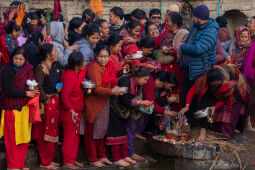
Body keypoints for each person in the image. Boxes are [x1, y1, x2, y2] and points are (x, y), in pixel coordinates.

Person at [179, 65, 249, 144]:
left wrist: (214, 107)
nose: (215, 86)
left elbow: (224, 99)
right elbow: (192, 91)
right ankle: (200, 127)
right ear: (209, 82)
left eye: (217, 85)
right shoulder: (203, 80)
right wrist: (187, 105)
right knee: (202, 104)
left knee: (227, 111)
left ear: (220, 81)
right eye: (213, 85)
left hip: (236, 86)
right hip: (215, 89)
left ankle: (204, 130)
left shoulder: (227, 83)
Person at [84, 44, 123, 167]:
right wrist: (112, 91)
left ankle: (102, 155)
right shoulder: (94, 68)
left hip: (104, 102)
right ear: (96, 56)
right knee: (92, 133)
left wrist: (115, 87)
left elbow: (112, 81)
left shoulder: (110, 65)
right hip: (94, 103)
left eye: (106, 56)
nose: (103, 59)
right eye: (101, 56)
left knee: (101, 131)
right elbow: (97, 89)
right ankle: (93, 158)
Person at [0, 47, 37, 169]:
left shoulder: (28, 68)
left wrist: (33, 90)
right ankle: (12, 166)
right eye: (15, 58)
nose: (18, 61)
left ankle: (21, 164)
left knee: (24, 138)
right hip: (11, 108)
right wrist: (25, 93)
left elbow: (31, 83)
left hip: (25, 108)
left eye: (21, 59)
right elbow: (8, 90)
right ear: (11, 58)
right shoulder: (7, 70)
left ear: (25, 59)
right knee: (12, 140)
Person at [180, 5, 218, 105]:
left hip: (200, 72)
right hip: (189, 69)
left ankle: (199, 120)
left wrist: (182, 46)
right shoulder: (196, 26)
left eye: (194, 16)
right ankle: (187, 120)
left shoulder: (210, 32)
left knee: (199, 101)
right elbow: (189, 41)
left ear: (199, 18)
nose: (192, 18)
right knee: (187, 99)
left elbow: (198, 49)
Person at [34, 43, 62, 169]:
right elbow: (38, 87)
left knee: (53, 129)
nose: (56, 53)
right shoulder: (41, 68)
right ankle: (44, 162)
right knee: (45, 131)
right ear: (48, 55)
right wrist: (45, 99)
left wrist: (59, 87)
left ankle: (49, 159)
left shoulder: (55, 65)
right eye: (55, 51)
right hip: (46, 103)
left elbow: (58, 80)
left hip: (55, 101)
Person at [61, 52, 86, 169]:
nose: (85, 64)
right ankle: (67, 161)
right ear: (77, 66)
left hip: (77, 109)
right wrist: (71, 110)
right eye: (83, 62)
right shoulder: (69, 76)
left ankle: (72, 159)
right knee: (70, 136)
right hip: (70, 111)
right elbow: (64, 96)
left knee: (76, 135)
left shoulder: (79, 72)